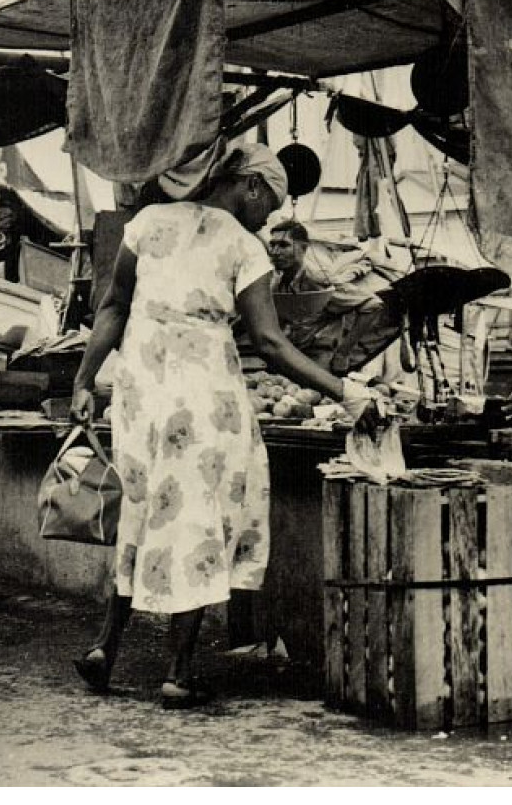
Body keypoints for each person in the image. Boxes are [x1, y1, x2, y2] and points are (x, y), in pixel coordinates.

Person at [69, 142, 376, 709]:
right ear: (251, 187)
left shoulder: (146, 223)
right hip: (202, 394)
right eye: (271, 204)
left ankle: (105, 649)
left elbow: (112, 306)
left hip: (142, 390)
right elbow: (270, 341)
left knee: (145, 510)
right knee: (200, 520)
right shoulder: (243, 244)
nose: (269, 218)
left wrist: (84, 382)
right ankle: (178, 673)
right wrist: (344, 390)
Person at [266, 219, 402, 375]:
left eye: (283, 245)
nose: (275, 252)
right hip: (291, 351)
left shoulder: (318, 279)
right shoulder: (277, 279)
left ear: (303, 248)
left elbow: (372, 305)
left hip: (318, 354)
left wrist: (343, 353)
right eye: (273, 245)